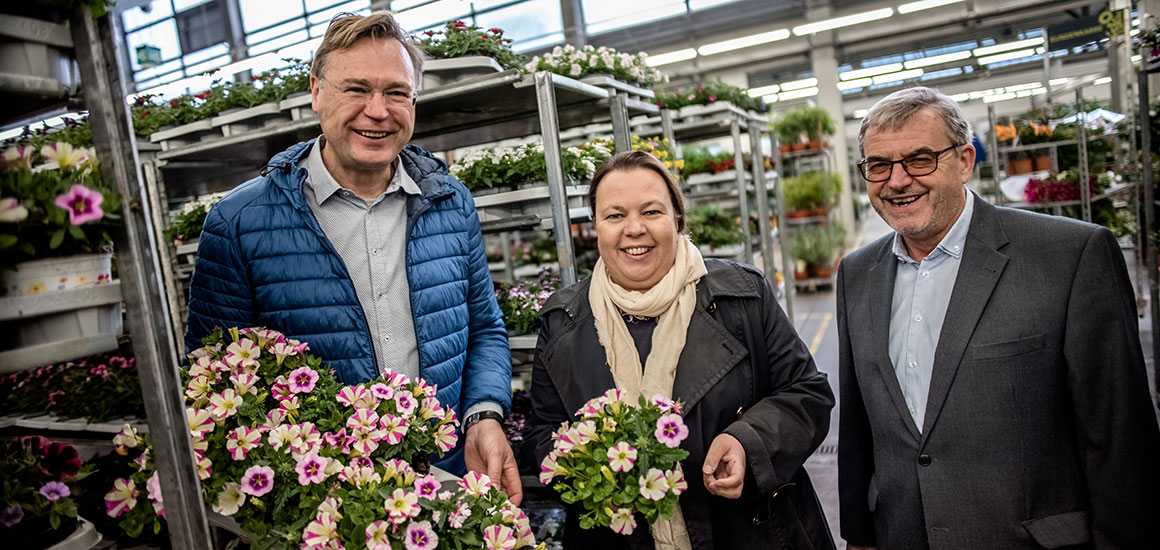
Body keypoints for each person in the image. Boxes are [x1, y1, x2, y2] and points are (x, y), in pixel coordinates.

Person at [185, 11, 521, 503]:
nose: (378, 110)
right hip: (323, 503)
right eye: (357, 89)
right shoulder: (240, 223)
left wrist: (484, 414)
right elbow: (211, 378)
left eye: (396, 93)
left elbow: (484, 328)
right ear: (317, 92)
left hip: (442, 481)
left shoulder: (450, 202)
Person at [836, 86, 1160, 550]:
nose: (898, 180)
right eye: (879, 165)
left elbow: (1119, 439)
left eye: (920, 159)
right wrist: (861, 537)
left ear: (965, 161)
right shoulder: (857, 273)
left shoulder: (1069, 256)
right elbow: (860, 427)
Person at [526, 151, 836, 550]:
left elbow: (807, 392)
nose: (633, 229)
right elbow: (542, 431)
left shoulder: (740, 296)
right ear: (595, 228)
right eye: (615, 215)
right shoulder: (561, 321)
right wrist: (588, 466)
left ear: (677, 219)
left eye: (651, 211)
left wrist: (748, 440)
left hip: (744, 531)